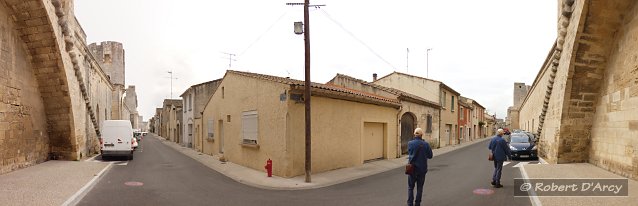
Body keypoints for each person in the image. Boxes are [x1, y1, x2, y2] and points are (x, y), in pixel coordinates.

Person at [407, 128, 433, 206]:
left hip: (412, 169)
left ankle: (410, 203)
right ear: (422, 135)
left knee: (410, 187)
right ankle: (417, 203)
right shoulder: (426, 144)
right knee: (419, 187)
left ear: (414, 134)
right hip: (422, 169)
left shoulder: (410, 143)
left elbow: (409, 153)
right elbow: (430, 156)